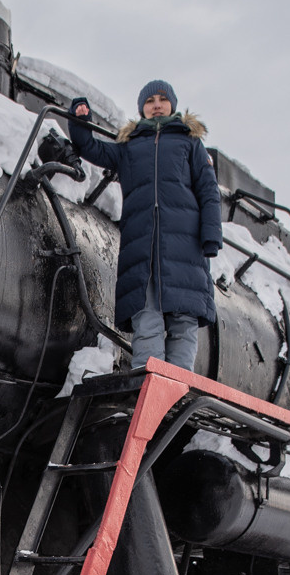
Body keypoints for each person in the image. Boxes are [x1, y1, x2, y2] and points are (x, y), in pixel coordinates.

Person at [66, 81, 224, 370]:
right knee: (146, 314)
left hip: (184, 245)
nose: (156, 104)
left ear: (172, 105)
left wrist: (211, 236)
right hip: (143, 244)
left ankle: (177, 386)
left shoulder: (190, 143)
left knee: (183, 319)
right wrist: (79, 119)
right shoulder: (130, 146)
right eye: (150, 100)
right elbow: (91, 148)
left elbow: (208, 191)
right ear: (142, 108)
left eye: (162, 99)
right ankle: (147, 380)